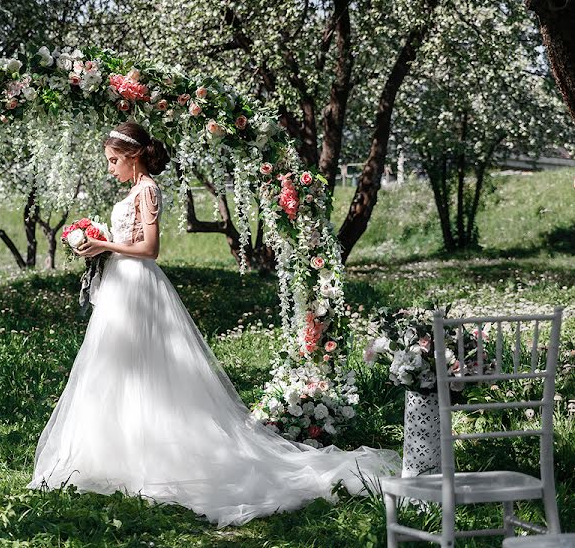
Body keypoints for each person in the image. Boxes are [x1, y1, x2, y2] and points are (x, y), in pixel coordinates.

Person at [27, 122, 399, 527]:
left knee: (147, 369)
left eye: (114, 160)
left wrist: (104, 245)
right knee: (117, 367)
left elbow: (150, 249)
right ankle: (118, 450)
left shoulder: (148, 189)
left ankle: (156, 455)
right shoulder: (134, 192)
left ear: (133, 157)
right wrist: (97, 246)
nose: (110, 168)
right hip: (121, 285)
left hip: (138, 284)